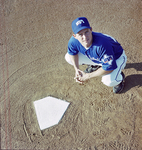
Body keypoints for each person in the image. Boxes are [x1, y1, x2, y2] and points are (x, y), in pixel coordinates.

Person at [65, 17, 127, 93]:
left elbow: (109, 68)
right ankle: (96, 65)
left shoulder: (102, 45)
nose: (84, 37)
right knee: (68, 57)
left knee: (109, 81)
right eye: (80, 34)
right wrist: (76, 69)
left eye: (86, 32)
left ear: (91, 29)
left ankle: (119, 80)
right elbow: (72, 54)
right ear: (75, 36)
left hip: (117, 57)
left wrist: (88, 76)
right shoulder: (73, 41)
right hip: (100, 57)